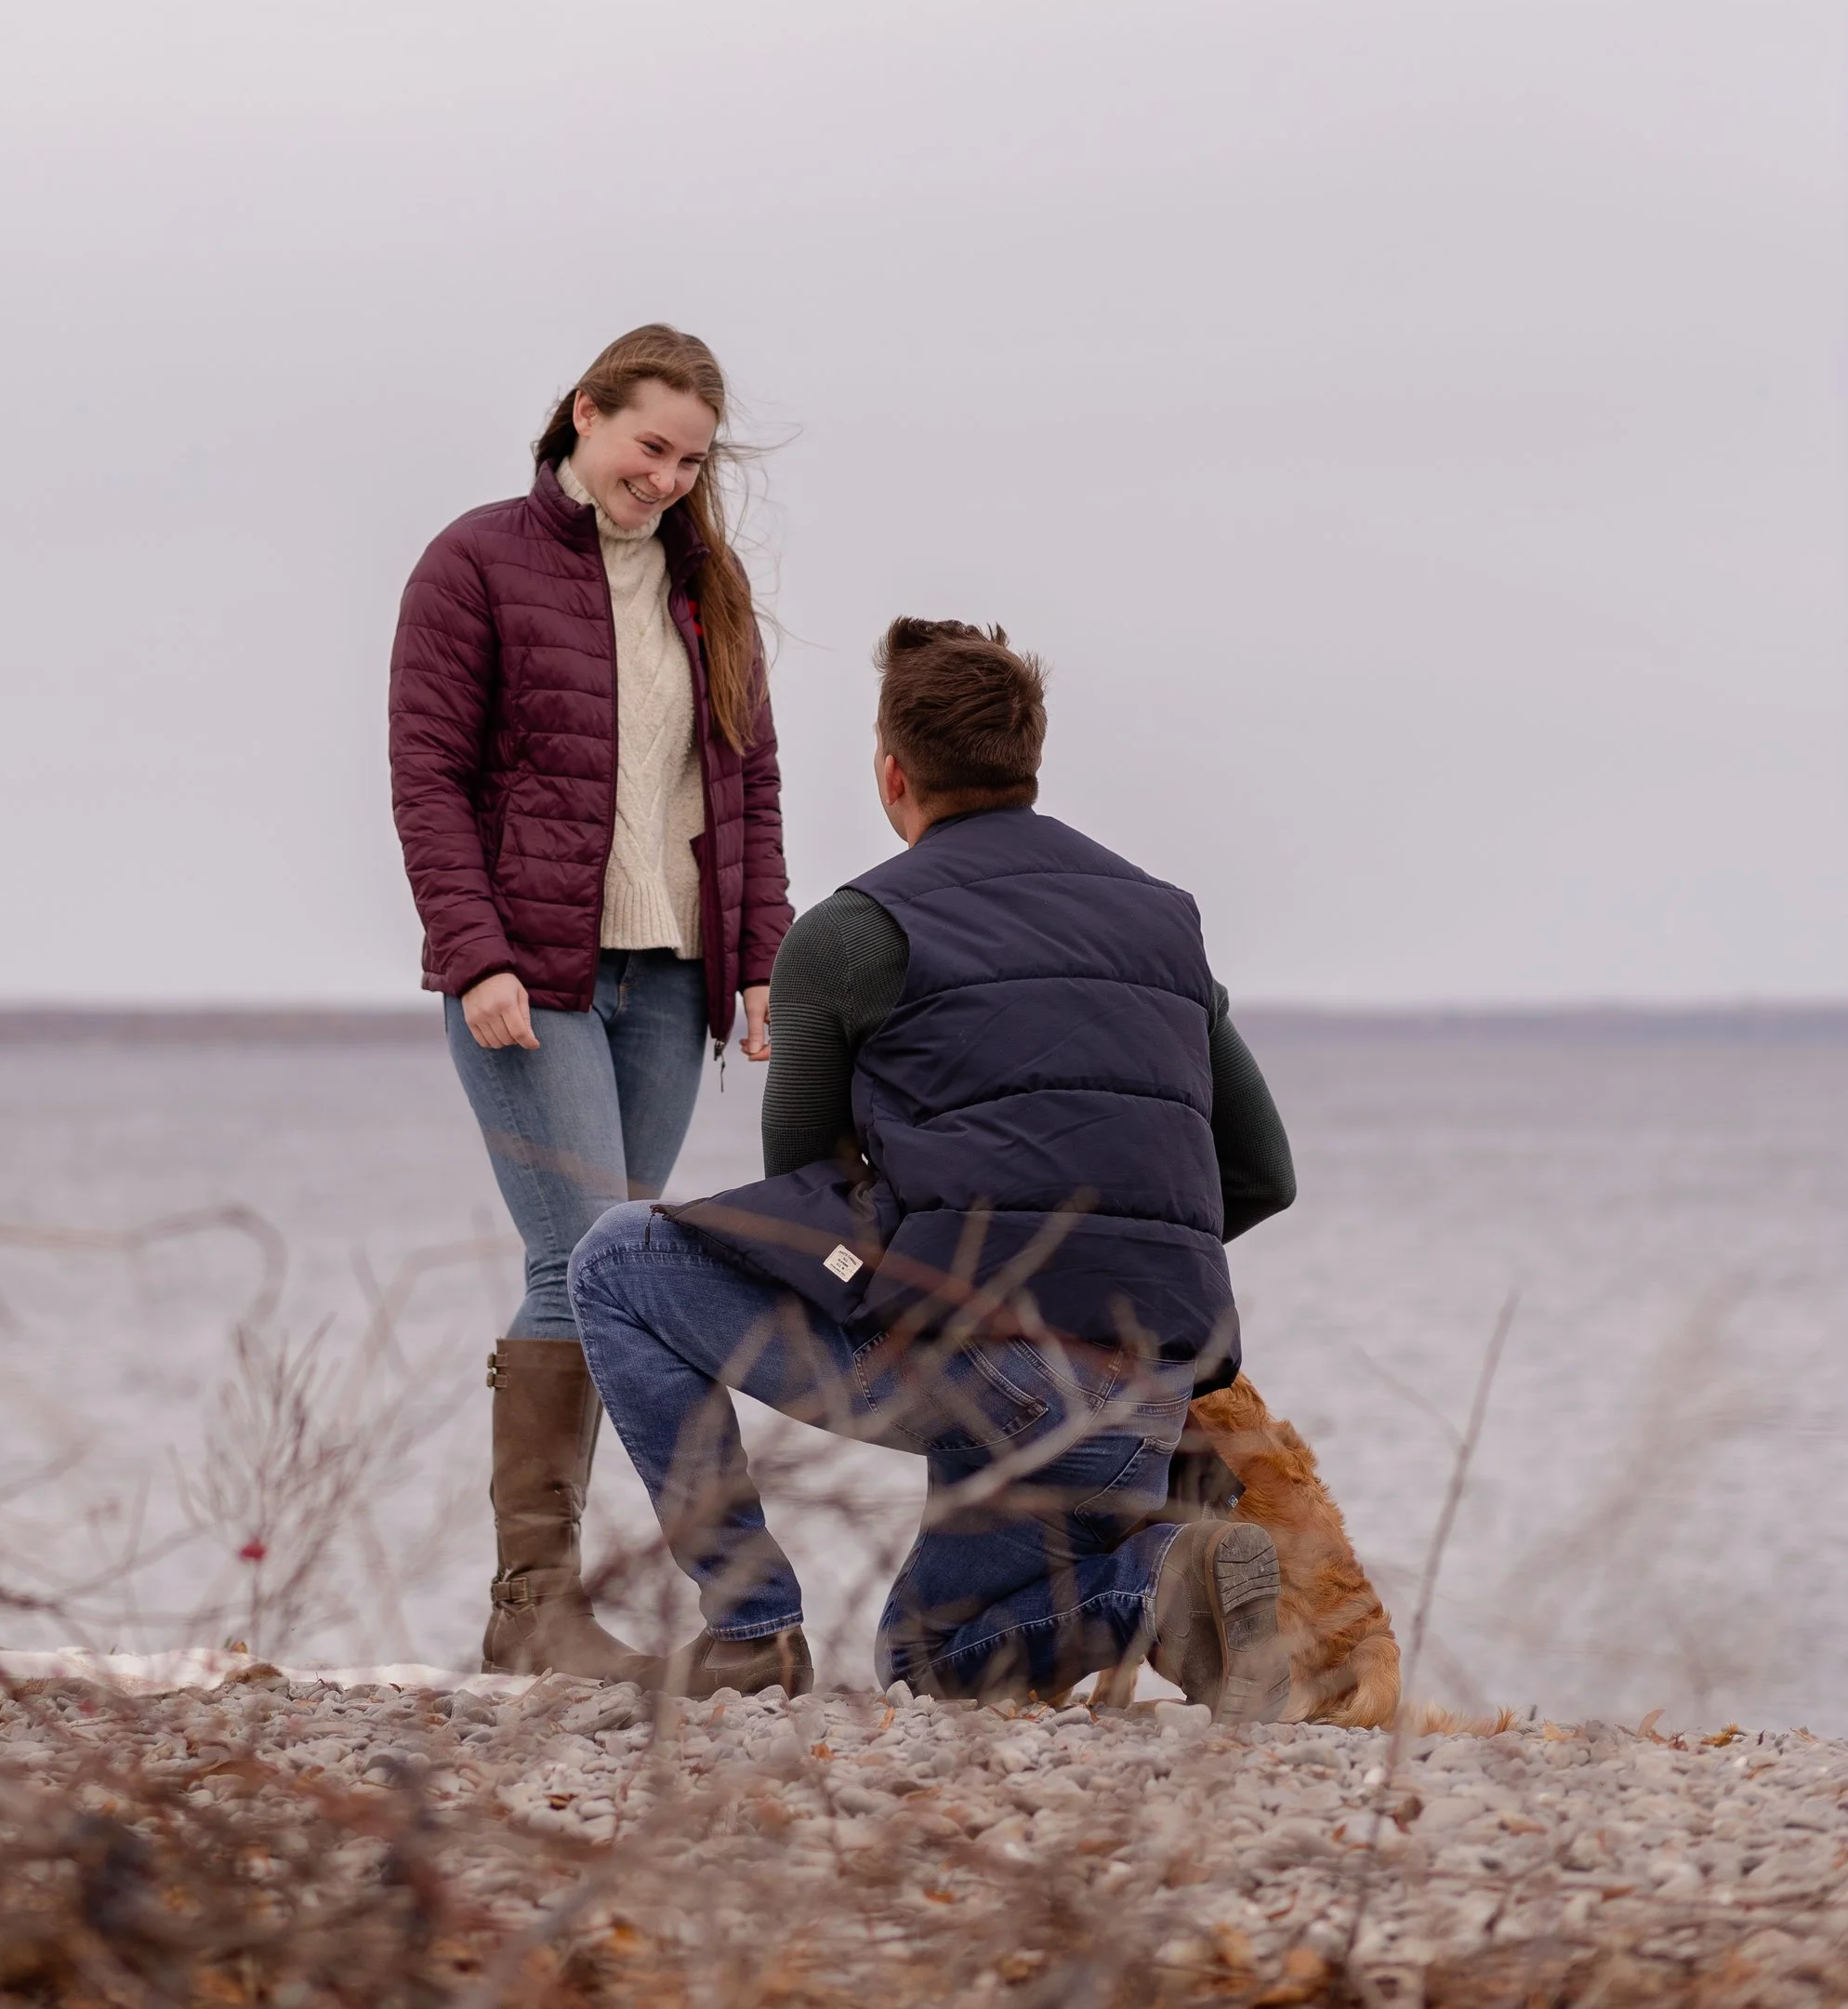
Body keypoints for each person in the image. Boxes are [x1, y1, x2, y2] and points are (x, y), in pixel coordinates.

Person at [569, 616, 1298, 1709]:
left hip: (979, 1373)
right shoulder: (1162, 921)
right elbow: (1263, 1174)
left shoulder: (853, 932)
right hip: (1140, 1396)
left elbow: (806, 1203)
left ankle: (752, 1625)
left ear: (891, 771)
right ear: (1029, 764)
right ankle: (1159, 1579)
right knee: (932, 1665)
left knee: (615, 1259)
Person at [389, 324, 793, 1680]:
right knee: (578, 1259)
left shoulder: (707, 587)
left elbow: (747, 785)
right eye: (649, 446)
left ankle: (573, 1610)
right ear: (585, 415)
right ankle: (537, 1607)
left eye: (689, 460)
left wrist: (760, 958)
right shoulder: (475, 562)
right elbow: (428, 776)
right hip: (531, 975)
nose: (667, 478)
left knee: (617, 1271)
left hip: (672, 982)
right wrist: (475, 949)